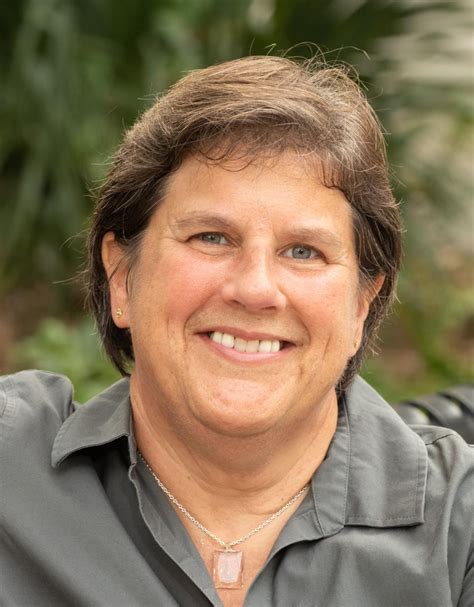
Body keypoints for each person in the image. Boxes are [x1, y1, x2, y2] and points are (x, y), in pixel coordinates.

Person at [1, 55, 472, 607]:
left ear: (360, 307)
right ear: (122, 276)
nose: (255, 289)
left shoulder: (458, 530)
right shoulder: (13, 472)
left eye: (304, 251)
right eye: (211, 237)